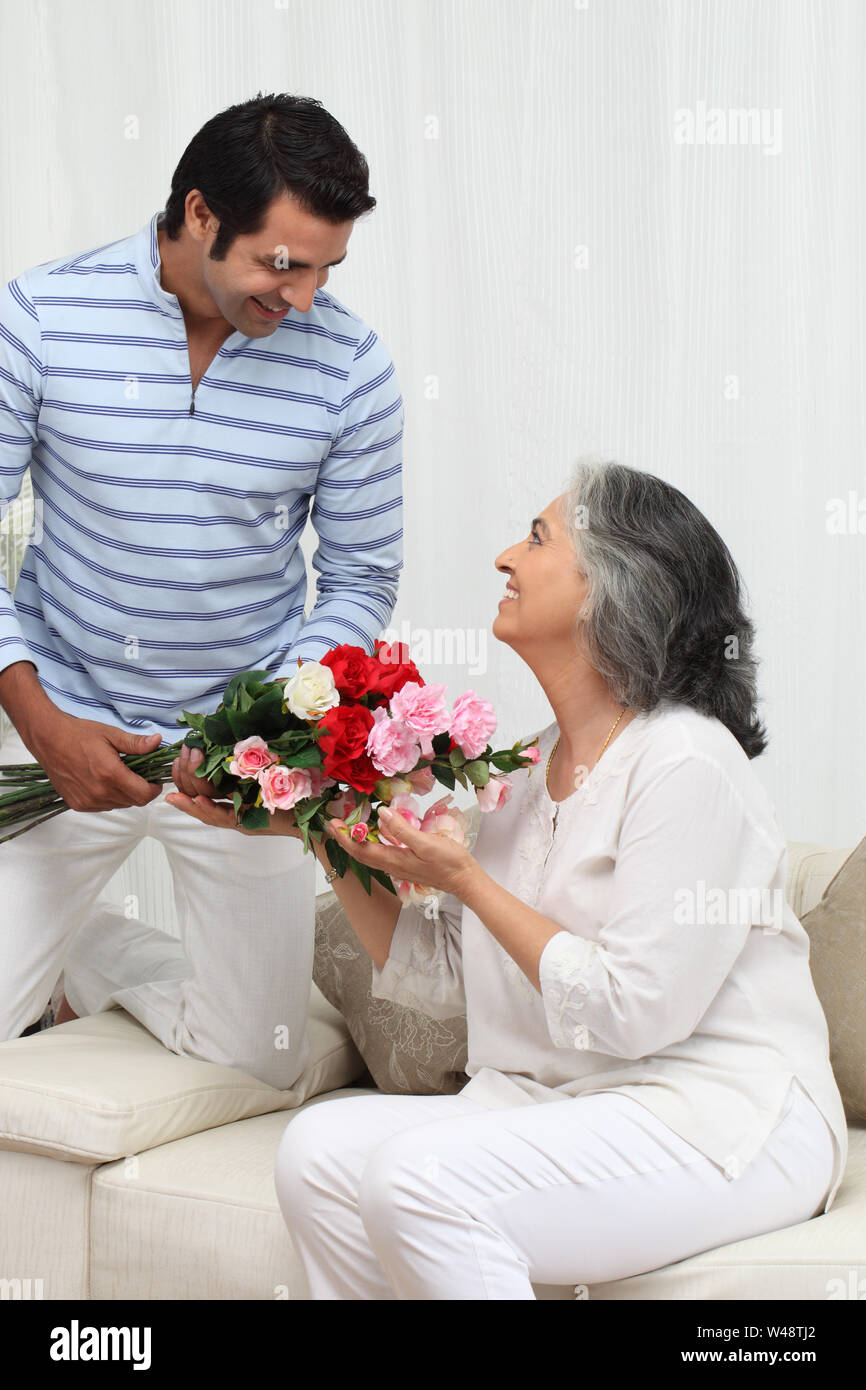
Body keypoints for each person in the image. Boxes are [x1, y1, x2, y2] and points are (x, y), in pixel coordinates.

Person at [166, 459, 846, 1299]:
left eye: (536, 537)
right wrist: (317, 826)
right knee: (317, 1155)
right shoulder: (521, 774)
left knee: (418, 1180)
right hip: (566, 1101)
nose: (504, 558)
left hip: (722, 1114)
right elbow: (441, 979)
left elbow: (633, 1013)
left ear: (609, 590)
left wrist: (467, 881)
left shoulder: (685, 761)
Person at [0, 93, 403, 1089]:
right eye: (281, 264)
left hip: (240, 762)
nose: (302, 296)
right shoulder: (41, 316)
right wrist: (37, 717)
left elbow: (359, 577)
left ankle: (92, 959)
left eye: (323, 269)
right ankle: (60, 954)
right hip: (57, 719)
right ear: (197, 214)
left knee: (249, 1072)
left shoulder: (350, 368)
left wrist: (266, 730)